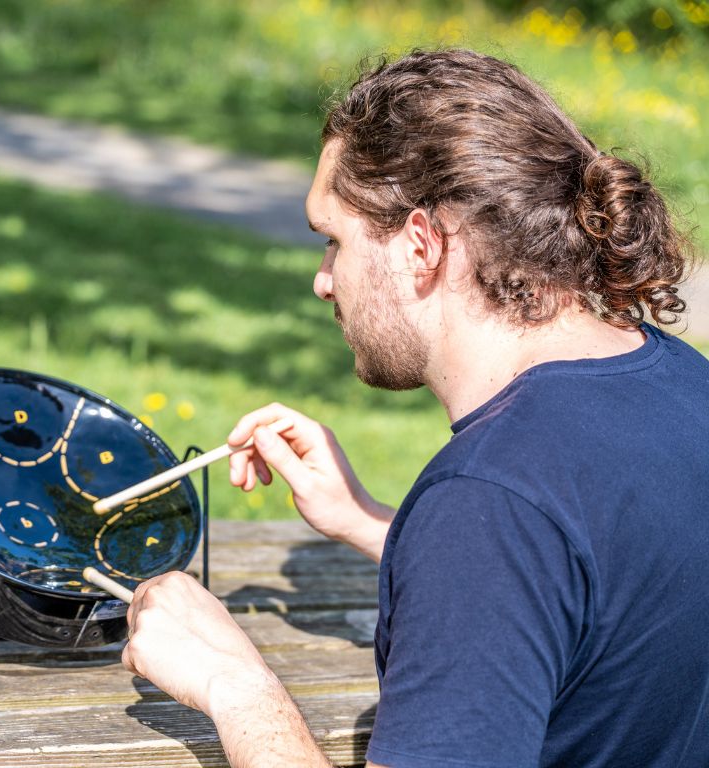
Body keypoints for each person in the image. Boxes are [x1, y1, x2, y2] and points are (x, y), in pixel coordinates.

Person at [119, 49, 709, 767]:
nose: (323, 280)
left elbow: (513, 536)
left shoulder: (490, 503)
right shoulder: (681, 380)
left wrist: (235, 683)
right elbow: (600, 589)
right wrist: (371, 523)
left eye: (333, 242)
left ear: (422, 244)